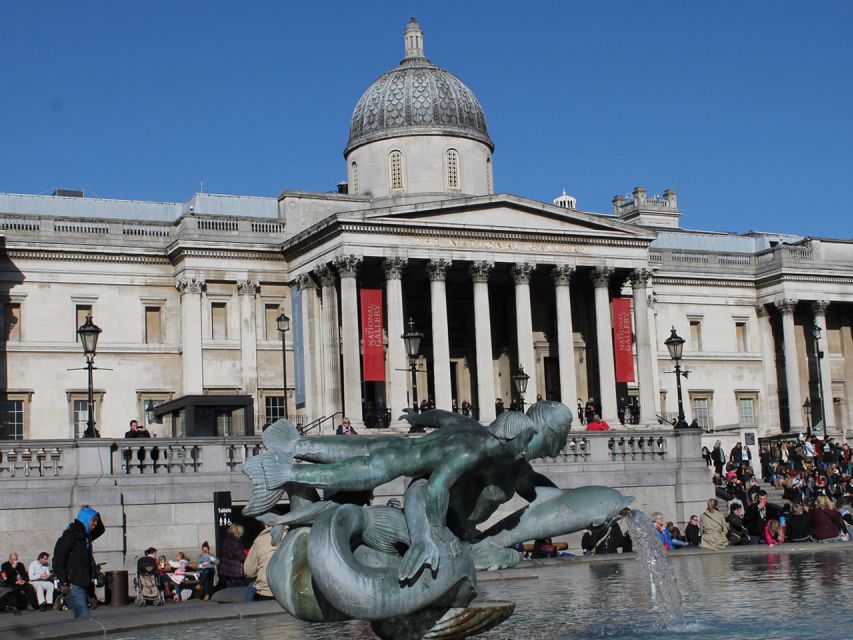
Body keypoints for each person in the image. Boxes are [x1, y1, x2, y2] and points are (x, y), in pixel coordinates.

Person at [53, 506, 105, 620]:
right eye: (93, 520)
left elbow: (88, 560)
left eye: (96, 521)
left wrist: (96, 575)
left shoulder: (85, 538)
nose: (95, 524)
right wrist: (63, 582)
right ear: (85, 519)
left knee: (81, 615)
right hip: (72, 583)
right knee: (83, 616)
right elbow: (58, 558)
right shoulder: (71, 536)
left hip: (83, 582)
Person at [244, 524, 276, 601]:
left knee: (252, 586)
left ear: (265, 525)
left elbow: (249, 571)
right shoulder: (291, 535)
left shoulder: (260, 540)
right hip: (290, 590)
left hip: (267, 591)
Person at [219, 523, 247, 588]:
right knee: (238, 591)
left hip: (227, 571)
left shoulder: (227, 540)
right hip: (235, 571)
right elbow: (241, 556)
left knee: (230, 590)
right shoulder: (235, 542)